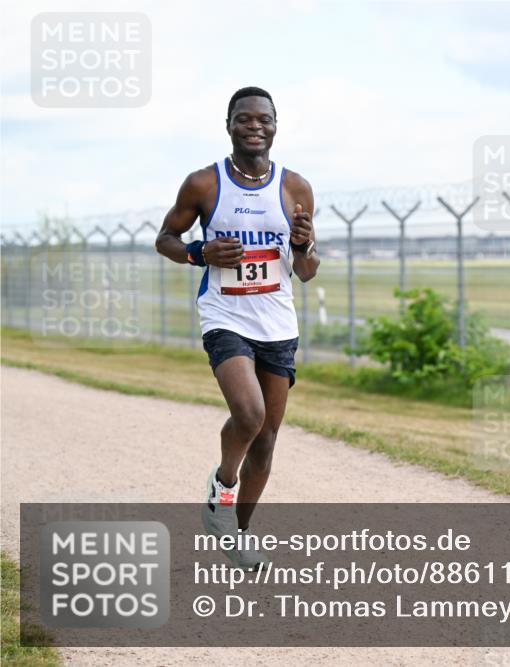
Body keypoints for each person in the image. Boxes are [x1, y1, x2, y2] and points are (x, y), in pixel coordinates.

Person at [155, 86, 319, 569]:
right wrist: (197, 252)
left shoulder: (295, 188)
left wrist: (306, 247)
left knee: (266, 439)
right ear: (228, 125)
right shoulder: (204, 184)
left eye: (263, 119)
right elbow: (166, 237)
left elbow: (306, 271)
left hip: (277, 321)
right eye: (244, 118)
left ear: (275, 125)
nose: (254, 126)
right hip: (225, 315)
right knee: (249, 415)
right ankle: (222, 487)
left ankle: (238, 532)